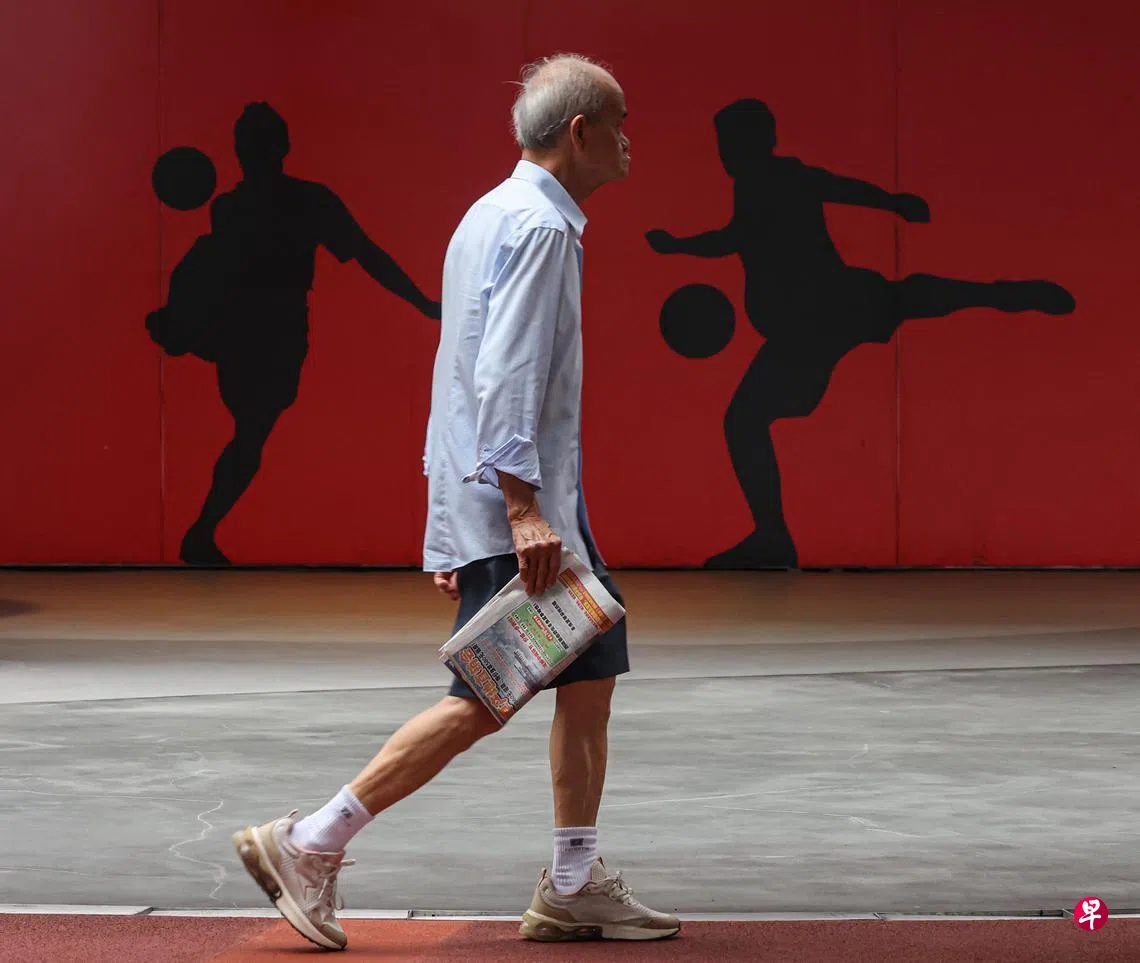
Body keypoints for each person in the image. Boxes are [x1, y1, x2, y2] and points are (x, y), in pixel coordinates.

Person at [232, 55, 680, 950]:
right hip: (525, 506)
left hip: (516, 500)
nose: (631, 140)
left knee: (590, 674)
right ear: (580, 132)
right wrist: (517, 512)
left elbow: (454, 371)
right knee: (485, 694)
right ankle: (310, 840)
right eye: (620, 122)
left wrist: (450, 524)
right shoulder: (539, 227)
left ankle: (572, 882)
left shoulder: (489, 213)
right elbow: (503, 372)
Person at [647, 98, 1075, 569]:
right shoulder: (764, 180)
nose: (726, 154)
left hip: (809, 322)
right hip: (826, 311)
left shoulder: (771, 178)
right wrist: (893, 203)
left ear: (757, 142)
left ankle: (771, 534)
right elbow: (811, 200)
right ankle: (1001, 294)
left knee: (744, 420)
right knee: (907, 296)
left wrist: (678, 246)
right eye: (723, 145)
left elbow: (763, 223)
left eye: (731, 143)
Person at [157, 103, 441, 566]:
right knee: (252, 431)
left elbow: (366, 254)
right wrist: (421, 302)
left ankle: (202, 531)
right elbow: (367, 255)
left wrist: (421, 303)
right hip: (263, 332)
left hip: (255, 331)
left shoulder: (250, 206)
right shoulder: (280, 203)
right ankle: (202, 532)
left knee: (250, 432)